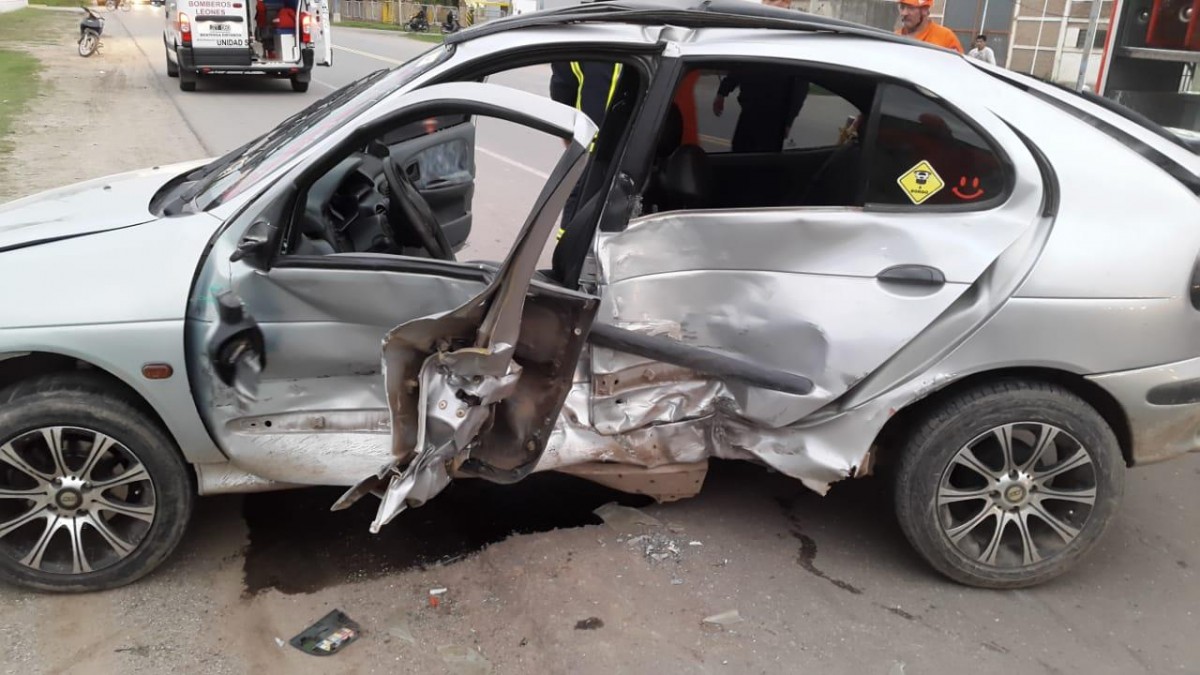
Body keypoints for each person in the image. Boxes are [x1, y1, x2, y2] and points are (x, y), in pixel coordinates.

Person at [549, 61, 623, 224]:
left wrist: (572, 138)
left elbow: (561, 88)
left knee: (579, 216)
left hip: (592, 149)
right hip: (623, 150)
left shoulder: (580, 41)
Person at [895, 0, 963, 53]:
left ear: (925, 10)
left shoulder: (945, 38)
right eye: (902, 7)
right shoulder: (895, 37)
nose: (904, 13)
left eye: (911, 8)